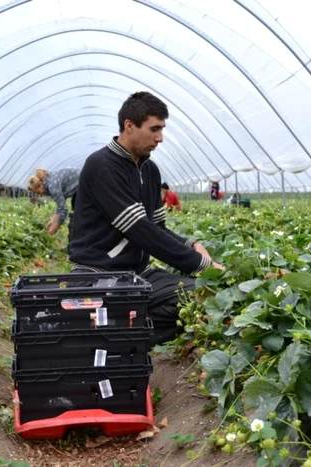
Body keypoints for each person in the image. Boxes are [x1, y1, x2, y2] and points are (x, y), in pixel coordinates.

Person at [68, 91, 224, 346]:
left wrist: (190, 245)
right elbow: (140, 230)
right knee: (194, 293)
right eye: (154, 129)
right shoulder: (102, 166)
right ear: (129, 126)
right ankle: (118, 337)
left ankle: (124, 335)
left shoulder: (149, 170)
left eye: (162, 129)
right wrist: (202, 265)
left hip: (138, 272)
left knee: (204, 294)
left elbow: (157, 227)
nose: (160, 138)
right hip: (99, 273)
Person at [27, 167, 79, 243]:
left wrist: (53, 230)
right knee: (76, 213)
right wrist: (52, 221)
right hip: (81, 184)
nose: (39, 194)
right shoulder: (49, 179)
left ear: (40, 184)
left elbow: (64, 210)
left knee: (78, 218)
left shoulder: (52, 187)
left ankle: (77, 246)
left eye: (38, 192)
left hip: (85, 184)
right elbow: (60, 205)